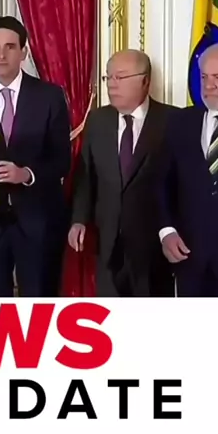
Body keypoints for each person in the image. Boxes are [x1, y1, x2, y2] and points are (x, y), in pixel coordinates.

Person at [0, 16, 71, 297]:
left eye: (9, 47)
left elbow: (62, 160)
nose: (1, 54)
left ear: (23, 52)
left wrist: (26, 174)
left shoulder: (50, 96)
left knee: (40, 307)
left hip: (39, 222)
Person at [69, 49, 177, 297]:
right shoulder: (97, 120)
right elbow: (86, 177)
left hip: (154, 248)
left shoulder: (173, 120)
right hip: (107, 244)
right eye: (108, 77)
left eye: (120, 77)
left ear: (145, 80)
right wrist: (78, 220)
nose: (112, 84)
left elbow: (183, 185)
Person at [158, 42, 218, 297]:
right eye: (204, 77)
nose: (209, 85)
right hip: (191, 262)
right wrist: (167, 231)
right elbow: (161, 182)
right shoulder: (180, 122)